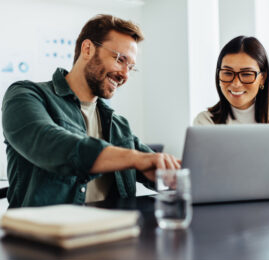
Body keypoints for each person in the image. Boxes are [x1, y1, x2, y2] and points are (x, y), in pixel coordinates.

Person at [2, 14, 180, 208]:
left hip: (114, 231)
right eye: (120, 59)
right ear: (87, 49)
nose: (125, 75)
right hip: (45, 234)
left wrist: (172, 171)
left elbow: (153, 165)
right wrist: (135, 158)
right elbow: (51, 143)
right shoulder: (26, 95)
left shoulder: (118, 124)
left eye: (131, 67)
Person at [193, 35, 269, 187]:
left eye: (246, 74)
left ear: (262, 78)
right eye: (228, 73)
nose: (236, 83)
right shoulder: (205, 123)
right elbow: (207, 178)